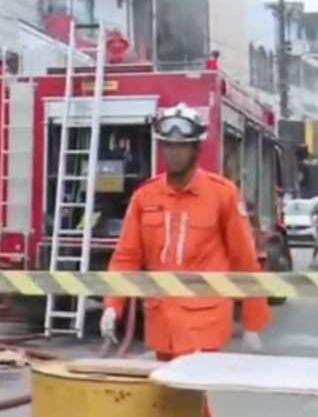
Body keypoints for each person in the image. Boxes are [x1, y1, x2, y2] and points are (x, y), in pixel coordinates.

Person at [102, 104, 269, 417]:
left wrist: (253, 323)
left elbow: (244, 260)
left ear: (196, 148)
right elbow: (126, 257)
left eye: (181, 146)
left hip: (203, 320)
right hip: (161, 318)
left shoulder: (222, 195)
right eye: (169, 146)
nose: (174, 153)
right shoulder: (146, 197)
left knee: (188, 395)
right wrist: (113, 305)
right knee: (172, 400)